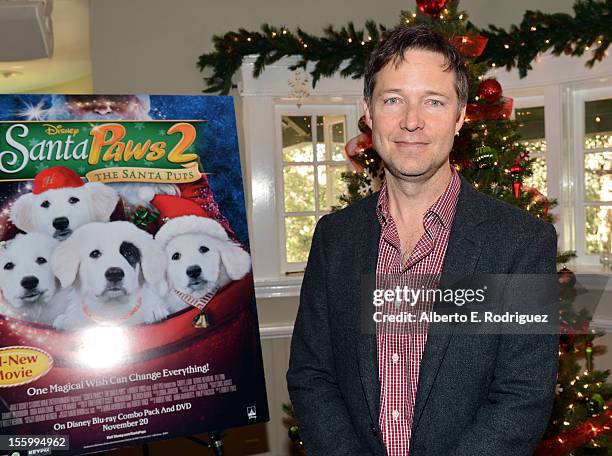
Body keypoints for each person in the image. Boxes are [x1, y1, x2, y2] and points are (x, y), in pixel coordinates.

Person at [286, 25, 559, 456]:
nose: (411, 121)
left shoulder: (519, 243)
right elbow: (311, 375)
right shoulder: (334, 239)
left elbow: (522, 396)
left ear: (459, 116)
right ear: (369, 113)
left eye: (433, 101)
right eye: (393, 99)